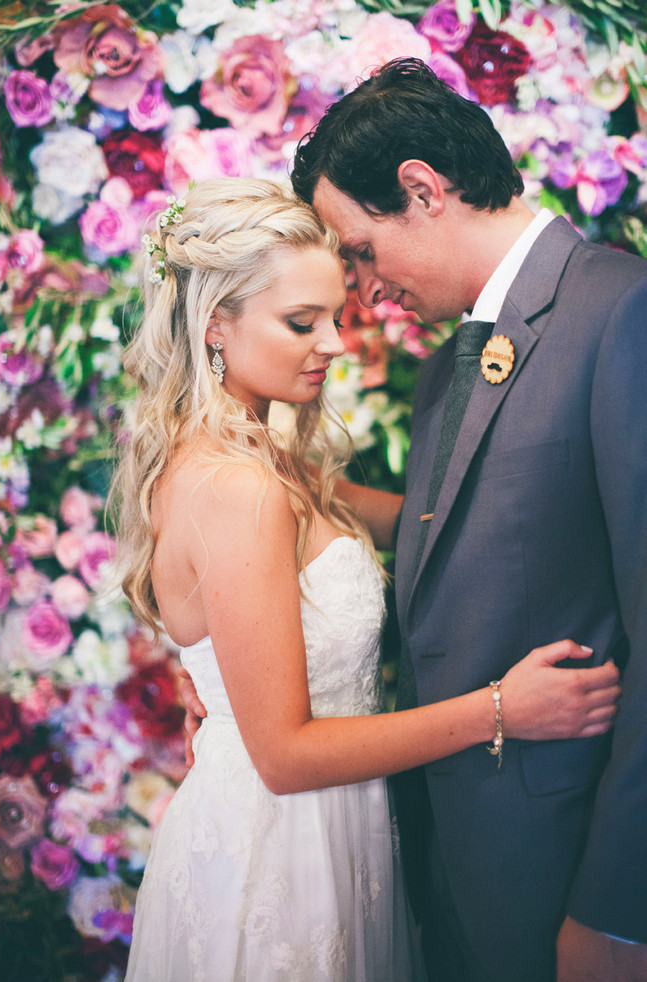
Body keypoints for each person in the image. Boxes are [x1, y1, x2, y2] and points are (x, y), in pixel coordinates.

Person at [115, 178, 619, 982]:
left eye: (336, 319)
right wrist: (500, 710)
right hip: (278, 851)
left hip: (336, 830)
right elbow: (282, 754)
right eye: (300, 322)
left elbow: (435, 517)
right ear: (216, 324)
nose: (333, 345)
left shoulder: (269, 463)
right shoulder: (235, 487)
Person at [286, 58, 647, 982]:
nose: (362, 292)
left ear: (421, 189)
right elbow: (475, 541)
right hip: (450, 859)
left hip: (570, 866)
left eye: (360, 250)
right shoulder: (453, 362)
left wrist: (618, 911)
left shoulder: (621, 312)